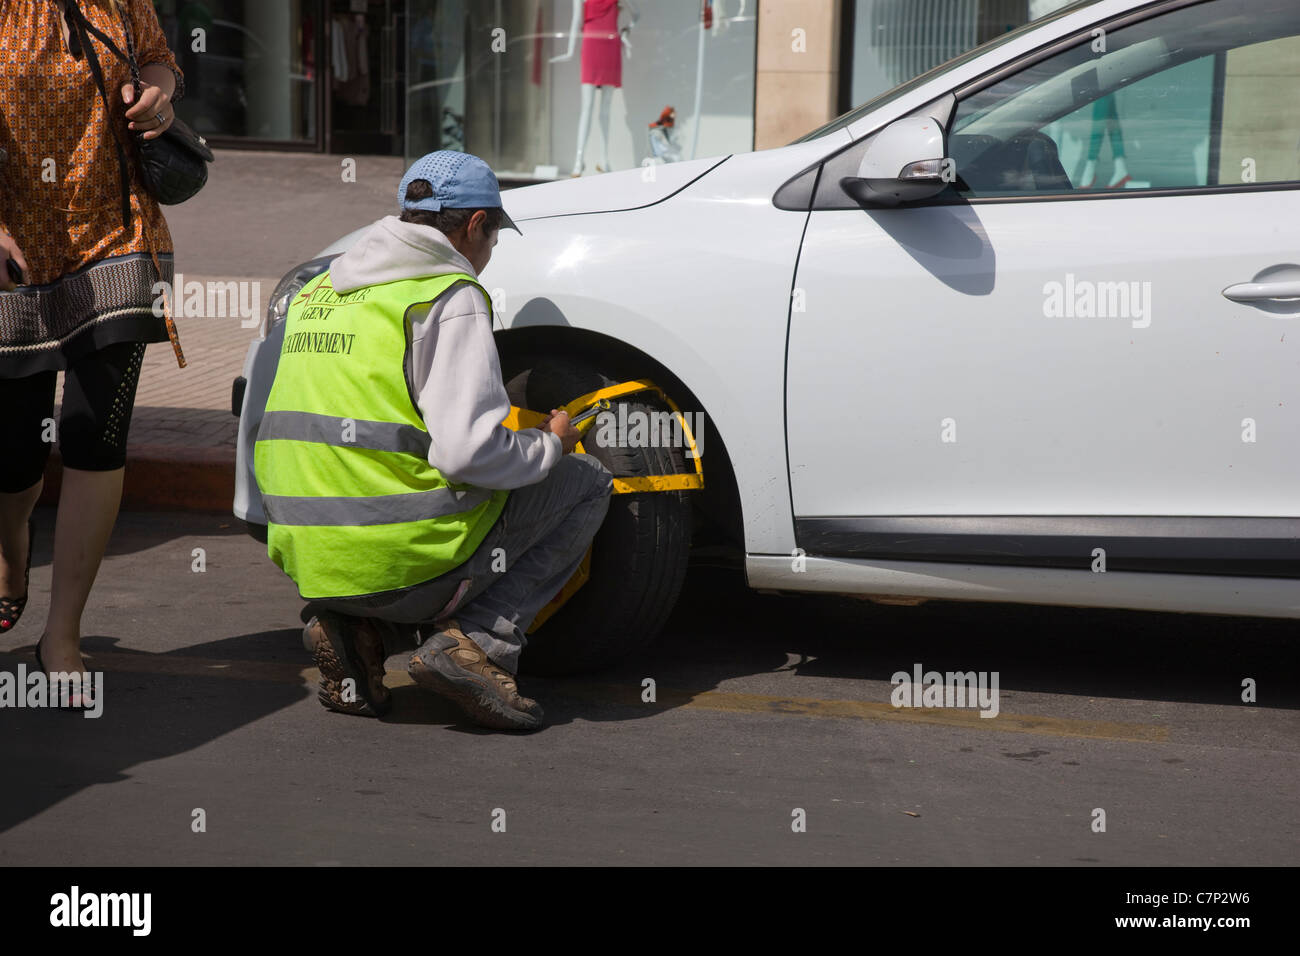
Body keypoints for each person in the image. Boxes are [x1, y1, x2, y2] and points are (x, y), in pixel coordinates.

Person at [254, 151, 613, 733]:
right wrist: (549, 443)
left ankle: (357, 630)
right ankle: (477, 645)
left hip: (311, 558)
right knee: (586, 482)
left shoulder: (320, 290)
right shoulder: (450, 296)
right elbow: (468, 454)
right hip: (401, 559)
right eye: (494, 236)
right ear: (476, 224)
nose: (490, 252)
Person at [0, 0, 185, 701]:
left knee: (95, 435)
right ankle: (12, 550)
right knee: (14, 452)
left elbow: (160, 61)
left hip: (117, 234)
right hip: (14, 247)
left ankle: (63, 636)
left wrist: (158, 97)